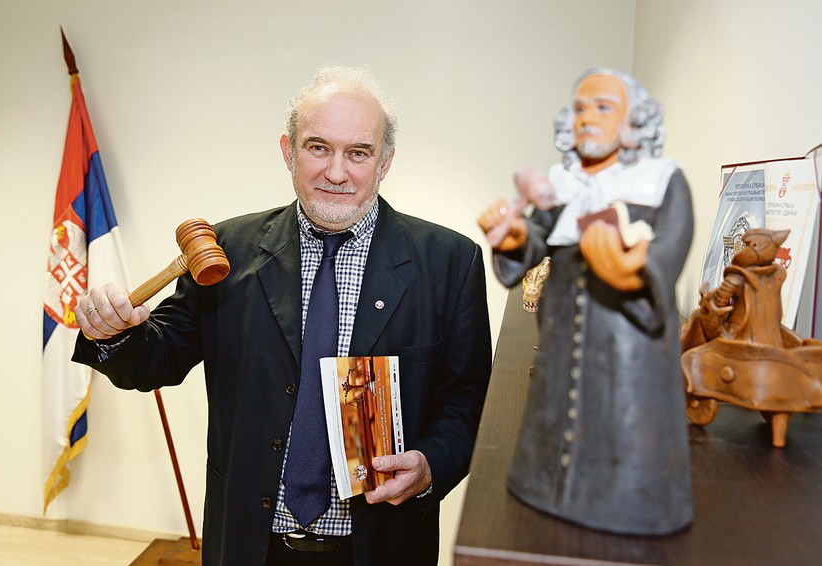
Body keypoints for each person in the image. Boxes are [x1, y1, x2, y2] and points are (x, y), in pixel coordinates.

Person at [73, 65, 492, 565]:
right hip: (249, 546)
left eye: (358, 153)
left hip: (382, 546)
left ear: (385, 162)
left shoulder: (449, 262)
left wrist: (430, 465)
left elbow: (468, 402)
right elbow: (155, 360)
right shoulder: (228, 250)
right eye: (318, 147)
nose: (336, 172)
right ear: (288, 151)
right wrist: (113, 332)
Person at [477, 68, 693, 535]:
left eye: (603, 107)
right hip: (558, 343)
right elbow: (535, 237)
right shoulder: (564, 183)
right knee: (554, 416)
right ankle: (543, 483)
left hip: (628, 353)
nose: (587, 118)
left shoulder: (662, 182)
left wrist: (628, 272)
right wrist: (514, 237)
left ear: (634, 121)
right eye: (579, 108)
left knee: (623, 425)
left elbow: (668, 253)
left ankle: (626, 500)